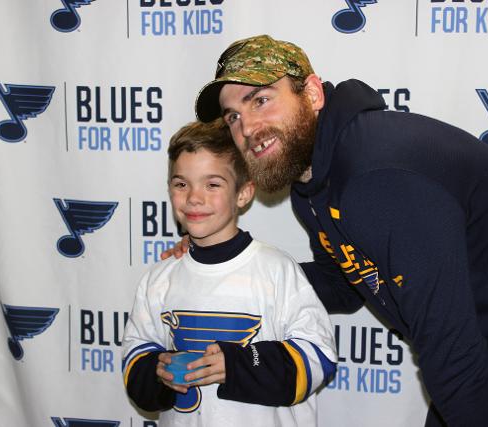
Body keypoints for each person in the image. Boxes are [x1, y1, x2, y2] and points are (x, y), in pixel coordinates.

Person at [180, 34, 488, 426]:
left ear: (311, 93)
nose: (248, 128)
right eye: (233, 116)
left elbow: (449, 349)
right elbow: (343, 283)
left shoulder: (376, 175)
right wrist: (227, 267)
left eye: (261, 101)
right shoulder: (312, 184)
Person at [121, 119, 337, 427]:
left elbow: (319, 355)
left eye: (212, 184)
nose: (194, 197)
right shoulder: (159, 280)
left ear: (244, 193)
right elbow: (136, 357)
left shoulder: (277, 270)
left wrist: (238, 365)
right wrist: (158, 369)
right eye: (182, 184)